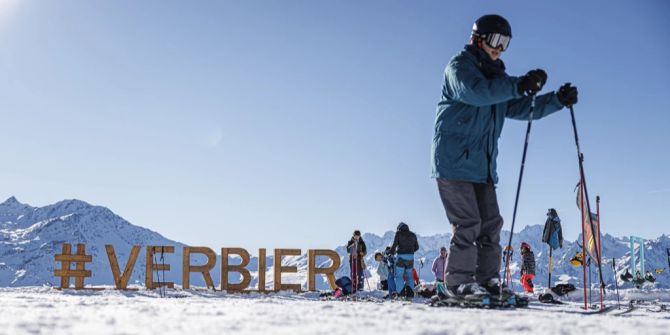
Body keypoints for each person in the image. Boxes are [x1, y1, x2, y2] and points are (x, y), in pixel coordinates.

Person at [431, 14, 578, 301]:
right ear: (478, 39)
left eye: (505, 42)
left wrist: (556, 100)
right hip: (453, 162)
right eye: (495, 40)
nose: (499, 47)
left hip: (483, 167)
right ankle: (458, 283)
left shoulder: (498, 80)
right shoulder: (460, 68)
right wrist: (517, 84)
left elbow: (522, 108)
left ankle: (487, 281)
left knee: (491, 225)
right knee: (468, 223)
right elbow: (474, 92)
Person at [390, 222, 419, 297]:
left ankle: (401, 293)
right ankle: (410, 293)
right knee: (409, 275)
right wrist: (410, 252)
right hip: (410, 257)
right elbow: (417, 247)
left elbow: (394, 245)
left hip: (401, 257)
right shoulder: (413, 234)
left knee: (399, 275)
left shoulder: (398, 233)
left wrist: (391, 252)